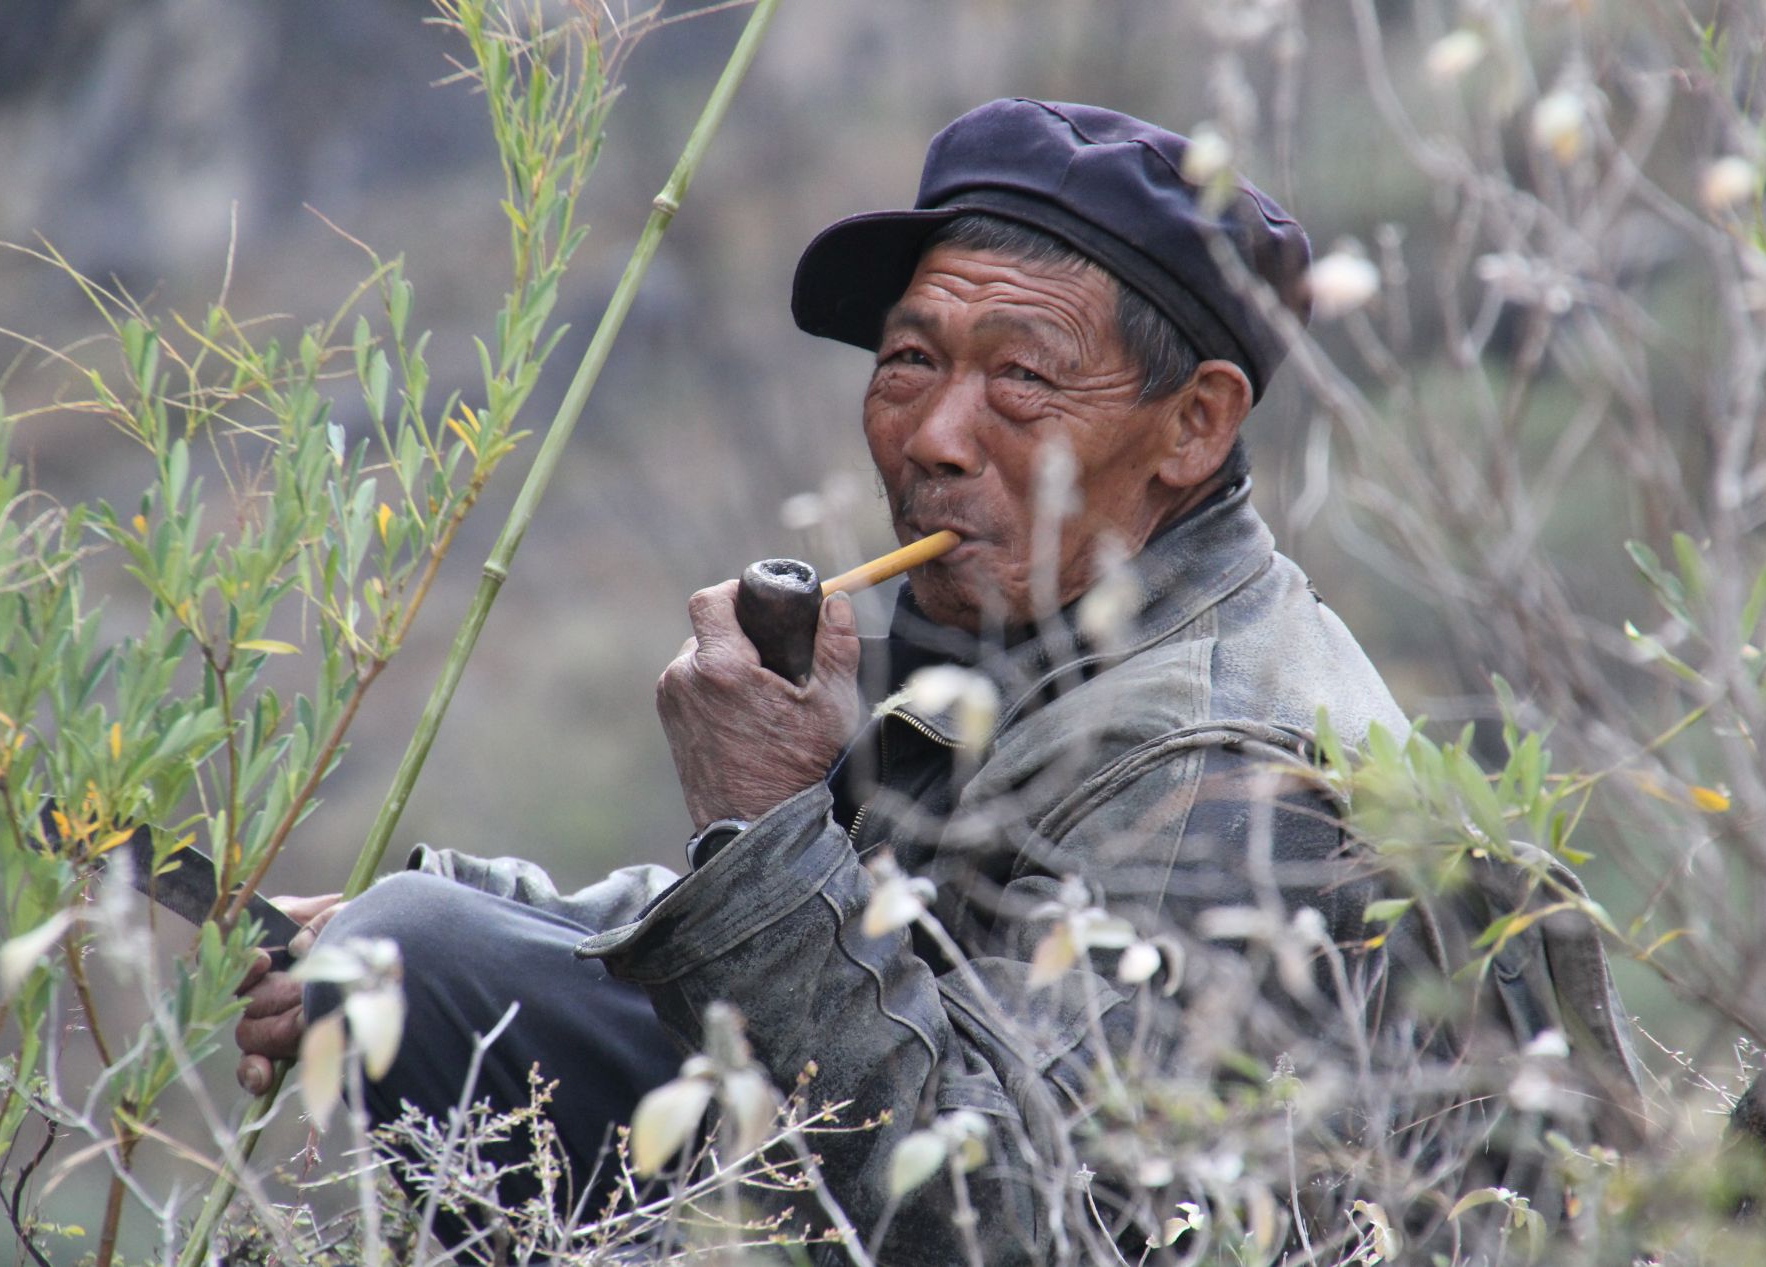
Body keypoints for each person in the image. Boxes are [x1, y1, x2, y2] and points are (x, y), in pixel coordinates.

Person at [236, 98, 1640, 1262]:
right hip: (929, 1138)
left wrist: (765, 822)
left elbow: (1015, 1231)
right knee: (422, 949)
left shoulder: (1228, 790)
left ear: (1194, 425)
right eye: (910, 362)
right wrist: (486, 913)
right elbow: (903, 953)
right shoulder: (1029, 632)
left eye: (1019, 377)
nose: (937, 437)